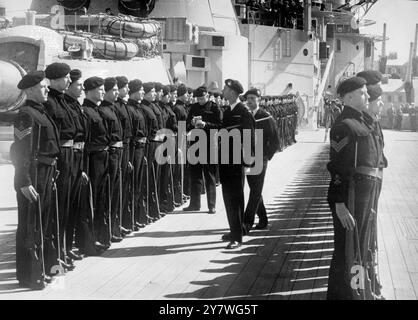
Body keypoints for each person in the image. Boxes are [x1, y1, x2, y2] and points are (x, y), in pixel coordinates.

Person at [327, 76, 386, 300]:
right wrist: (340, 204)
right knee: (347, 252)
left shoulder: (363, 123)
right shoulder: (343, 126)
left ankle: (358, 291)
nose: (368, 96)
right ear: (350, 96)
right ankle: (343, 296)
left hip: (364, 196)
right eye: (363, 93)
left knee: (359, 250)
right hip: (350, 197)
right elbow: (337, 168)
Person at [11, 71, 60, 290]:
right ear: (30, 90)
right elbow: (21, 151)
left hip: (46, 173)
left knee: (42, 224)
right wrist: (24, 181)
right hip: (33, 175)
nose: (47, 89)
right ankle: (29, 276)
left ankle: (39, 269)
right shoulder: (26, 114)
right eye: (43, 87)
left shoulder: (42, 112)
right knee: (30, 226)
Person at [44, 62, 76, 272]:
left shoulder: (63, 101)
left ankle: (64, 248)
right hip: (61, 156)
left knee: (68, 205)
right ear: (55, 79)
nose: (70, 81)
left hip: (71, 154)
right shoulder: (50, 103)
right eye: (66, 77)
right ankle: (55, 253)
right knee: (58, 207)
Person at [220, 79, 256, 249]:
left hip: (236, 160)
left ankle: (237, 237)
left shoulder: (243, 111)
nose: (223, 91)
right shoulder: (228, 110)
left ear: (233, 92)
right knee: (228, 196)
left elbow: (250, 137)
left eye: (226, 89)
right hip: (225, 158)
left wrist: (248, 160)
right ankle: (234, 229)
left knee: (236, 197)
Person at [242, 88, 279, 233]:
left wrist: (266, 157)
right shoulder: (246, 116)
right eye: (248, 98)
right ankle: (263, 219)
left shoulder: (266, 117)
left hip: (260, 158)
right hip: (248, 158)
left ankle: (246, 223)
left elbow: (275, 141)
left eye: (252, 98)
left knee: (255, 191)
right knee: (254, 190)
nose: (249, 101)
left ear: (259, 100)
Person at [82, 77, 111, 252]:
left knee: (101, 200)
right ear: (90, 91)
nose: (102, 91)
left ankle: (99, 237)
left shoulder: (97, 111)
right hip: (92, 160)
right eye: (99, 89)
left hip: (103, 157)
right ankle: (89, 242)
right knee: (91, 201)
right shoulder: (86, 111)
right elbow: (85, 142)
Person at [63, 69, 88, 260]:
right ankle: (62, 248)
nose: (82, 88)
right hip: (67, 157)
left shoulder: (75, 105)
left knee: (73, 205)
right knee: (64, 206)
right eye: (79, 85)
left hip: (78, 155)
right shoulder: (64, 104)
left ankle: (67, 246)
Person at [184, 86, 222, 214]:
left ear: (207, 96)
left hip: (210, 144)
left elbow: (220, 125)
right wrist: (192, 123)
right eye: (198, 98)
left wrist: (205, 124)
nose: (200, 100)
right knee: (195, 175)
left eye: (202, 98)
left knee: (209, 176)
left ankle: (211, 205)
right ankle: (194, 204)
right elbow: (187, 123)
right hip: (196, 144)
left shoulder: (215, 107)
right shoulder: (194, 107)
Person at [98, 77, 126, 242]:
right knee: (108, 195)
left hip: (119, 151)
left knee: (116, 193)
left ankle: (114, 226)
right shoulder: (102, 110)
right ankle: (107, 229)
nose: (118, 92)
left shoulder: (114, 108)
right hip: (110, 153)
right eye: (114, 90)